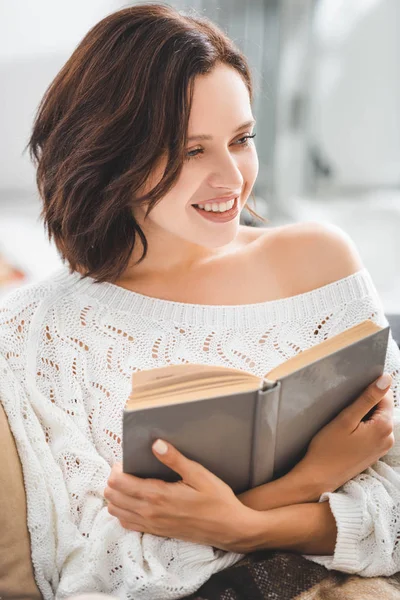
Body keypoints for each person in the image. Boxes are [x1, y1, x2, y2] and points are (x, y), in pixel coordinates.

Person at [1, 3, 400, 599]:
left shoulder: (319, 260)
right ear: (113, 155)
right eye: (191, 151)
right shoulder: (40, 334)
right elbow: (95, 577)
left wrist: (245, 522)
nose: (232, 178)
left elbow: (393, 500)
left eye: (241, 140)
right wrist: (309, 480)